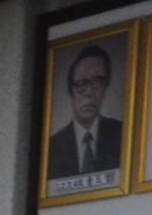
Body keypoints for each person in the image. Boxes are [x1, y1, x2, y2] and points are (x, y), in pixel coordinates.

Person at [46, 43, 127, 186]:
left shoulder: (123, 135)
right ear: (71, 91)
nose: (89, 92)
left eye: (97, 81)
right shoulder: (52, 148)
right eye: (81, 83)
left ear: (105, 87)